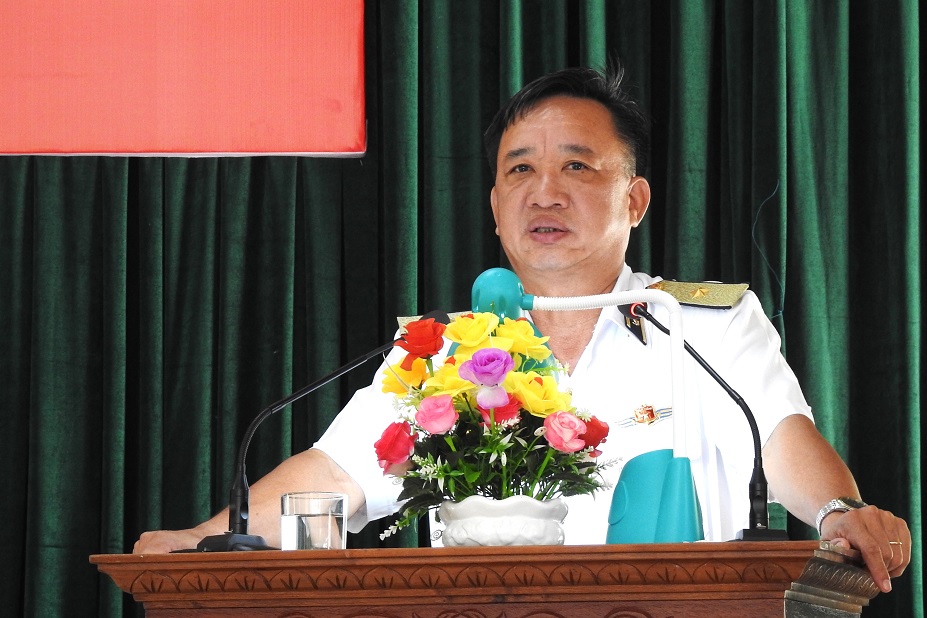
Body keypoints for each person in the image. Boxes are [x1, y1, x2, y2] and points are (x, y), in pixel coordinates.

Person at [135, 60, 910, 593]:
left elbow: (779, 438)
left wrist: (837, 514)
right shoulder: (445, 349)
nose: (544, 193)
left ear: (634, 200)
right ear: (495, 206)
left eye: (576, 166)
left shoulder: (702, 323)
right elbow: (337, 476)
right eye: (519, 170)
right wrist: (207, 537)